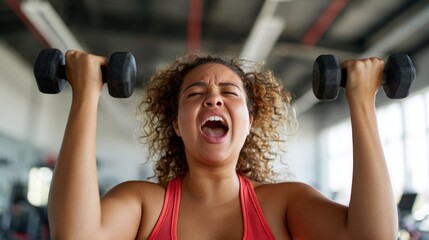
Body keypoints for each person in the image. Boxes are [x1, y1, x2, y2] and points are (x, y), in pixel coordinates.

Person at [47, 50, 398, 240]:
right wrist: (85, 96)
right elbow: (75, 235)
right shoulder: (142, 204)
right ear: (176, 125)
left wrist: (362, 102)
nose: (213, 99)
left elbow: (374, 237)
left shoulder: (286, 204)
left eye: (229, 93)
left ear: (249, 124)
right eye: (196, 93)